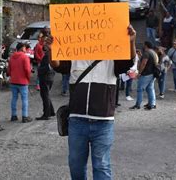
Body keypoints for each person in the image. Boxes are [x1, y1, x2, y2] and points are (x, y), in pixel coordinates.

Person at [50, 26, 136, 180]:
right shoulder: (73, 55)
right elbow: (57, 65)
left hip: (103, 122)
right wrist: (52, 48)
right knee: (75, 164)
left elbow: (128, 61)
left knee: (102, 166)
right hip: (77, 120)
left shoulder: (113, 57)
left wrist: (131, 41)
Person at [8, 42, 32, 123]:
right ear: (22, 48)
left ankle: (13, 115)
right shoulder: (25, 57)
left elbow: (9, 70)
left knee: (14, 98)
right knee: (24, 99)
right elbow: (27, 70)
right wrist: (28, 79)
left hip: (14, 81)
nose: (26, 49)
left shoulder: (11, 57)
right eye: (25, 48)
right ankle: (24, 116)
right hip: (23, 81)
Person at [130, 41, 158, 110]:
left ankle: (138, 105)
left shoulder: (147, 53)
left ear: (146, 45)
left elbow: (144, 63)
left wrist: (139, 73)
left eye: (143, 44)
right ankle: (152, 104)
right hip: (152, 74)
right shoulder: (154, 53)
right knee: (150, 89)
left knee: (140, 89)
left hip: (146, 74)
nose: (143, 46)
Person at [36, 36, 56, 120]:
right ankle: (50, 111)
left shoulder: (48, 55)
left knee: (45, 95)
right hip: (48, 77)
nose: (44, 45)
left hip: (46, 77)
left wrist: (39, 69)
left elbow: (49, 67)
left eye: (46, 44)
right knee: (46, 95)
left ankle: (46, 114)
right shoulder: (49, 54)